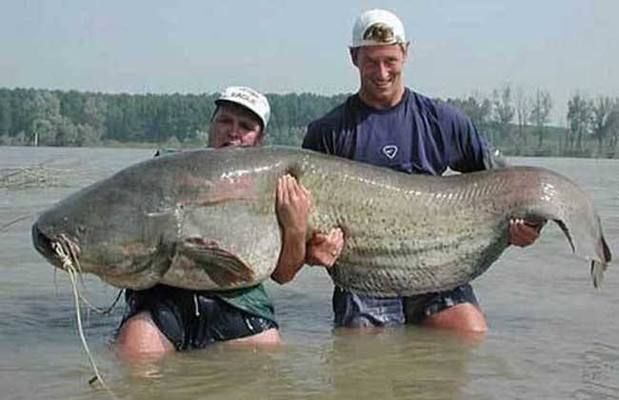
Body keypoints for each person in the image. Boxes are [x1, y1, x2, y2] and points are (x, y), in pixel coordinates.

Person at [300, 9, 544, 333]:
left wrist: (527, 227)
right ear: (354, 58)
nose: (382, 72)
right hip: (365, 275)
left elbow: (507, 188)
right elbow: (299, 219)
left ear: (406, 52)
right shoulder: (327, 133)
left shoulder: (443, 121)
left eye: (390, 60)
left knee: (470, 333)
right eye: (371, 61)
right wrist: (312, 249)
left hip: (437, 270)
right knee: (358, 356)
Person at [116, 86, 317, 359]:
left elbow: (284, 275)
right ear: (211, 125)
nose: (233, 131)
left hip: (241, 303)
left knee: (270, 357)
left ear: (260, 140)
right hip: (167, 299)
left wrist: (295, 228)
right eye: (225, 121)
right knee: (135, 353)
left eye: (245, 126)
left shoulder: (283, 188)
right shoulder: (166, 168)